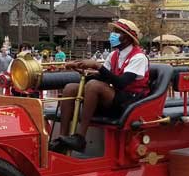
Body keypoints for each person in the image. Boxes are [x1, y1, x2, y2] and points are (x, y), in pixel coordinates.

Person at [52, 19, 149, 153]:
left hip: (130, 100)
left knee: (93, 86)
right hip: (115, 96)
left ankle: (80, 137)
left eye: (117, 32)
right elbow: (103, 76)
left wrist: (97, 65)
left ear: (127, 38)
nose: (112, 35)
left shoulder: (138, 57)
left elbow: (121, 83)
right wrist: (82, 70)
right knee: (70, 88)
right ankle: (62, 137)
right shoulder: (114, 55)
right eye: (113, 32)